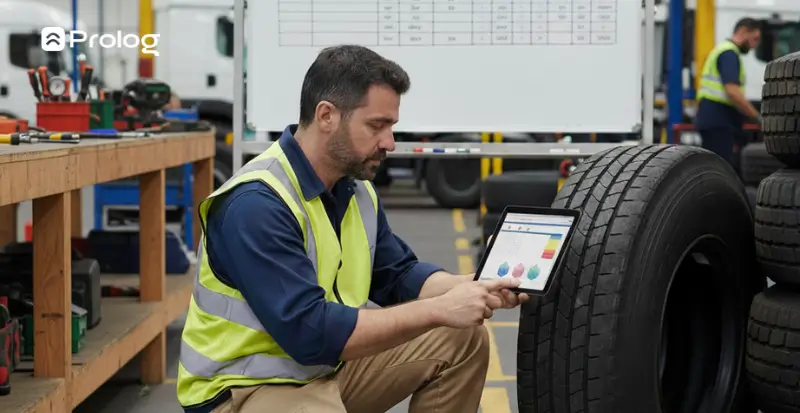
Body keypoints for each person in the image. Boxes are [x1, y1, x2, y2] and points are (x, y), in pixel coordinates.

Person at [176, 45, 530, 413]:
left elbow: (399, 275)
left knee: (462, 338)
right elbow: (310, 333)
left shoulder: (354, 189)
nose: (389, 142)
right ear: (327, 116)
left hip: (320, 369)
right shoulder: (257, 204)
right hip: (244, 388)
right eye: (377, 125)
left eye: (391, 126)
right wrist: (440, 308)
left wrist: (475, 284)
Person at [695, 17, 762, 166]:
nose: (754, 45)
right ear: (743, 31)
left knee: (716, 168)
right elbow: (732, 90)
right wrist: (757, 117)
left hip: (714, 119)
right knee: (722, 169)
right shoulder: (729, 53)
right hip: (719, 120)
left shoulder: (724, 50)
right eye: (755, 39)